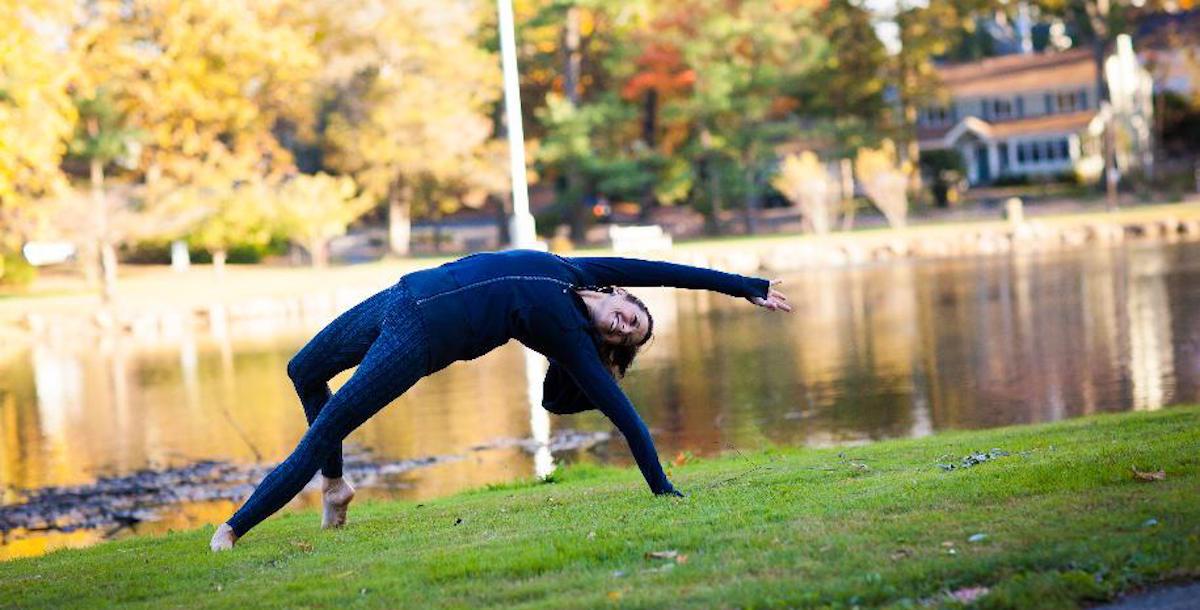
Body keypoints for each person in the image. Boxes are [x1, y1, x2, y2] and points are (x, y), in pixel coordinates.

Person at [210, 249, 791, 550]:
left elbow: (627, 421)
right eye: (628, 319)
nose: (619, 328)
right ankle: (336, 487)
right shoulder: (580, 268)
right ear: (619, 295)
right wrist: (751, 288)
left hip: (419, 338)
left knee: (325, 426)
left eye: (623, 338)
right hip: (400, 295)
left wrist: (662, 487)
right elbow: (670, 271)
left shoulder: (567, 334)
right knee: (303, 370)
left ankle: (236, 528)